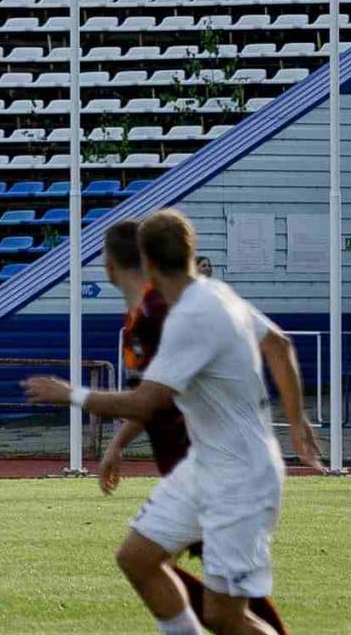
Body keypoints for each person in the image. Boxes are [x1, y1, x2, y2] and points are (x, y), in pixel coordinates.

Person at [24, 206, 320, 635]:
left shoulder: (188, 318)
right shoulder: (217, 294)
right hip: (206, 467)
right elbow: (279, 343)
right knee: (137, 558)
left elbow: (146, 402)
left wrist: (70, 394)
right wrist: (296, 420)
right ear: (190, 250)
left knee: (224, 617)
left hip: (240, 480)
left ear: (145, 261)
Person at [97, 219, 294, 635]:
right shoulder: (146, 315)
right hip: (189, 461)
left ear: (118, 264)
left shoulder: (163, 313)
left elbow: (151, 397)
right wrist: (118, 444)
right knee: (152, 562)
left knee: (217, 595)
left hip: (210, 463)